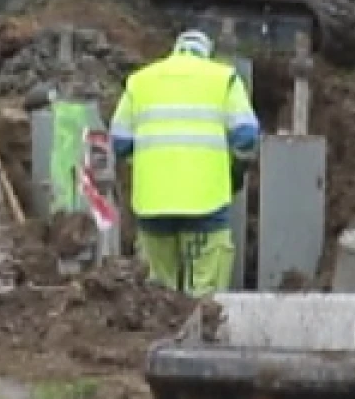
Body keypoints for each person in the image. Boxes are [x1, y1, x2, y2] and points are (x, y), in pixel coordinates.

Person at [109, 30, 260, 297]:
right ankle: (200, 334)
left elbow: (120, 141)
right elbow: (246, 136)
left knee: (155, 297)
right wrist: (234, 170)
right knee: (206, 297)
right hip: (206, 202)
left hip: (152, 203)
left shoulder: (140, 81)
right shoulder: (223, 78)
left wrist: (148, 162)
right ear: (207, 52)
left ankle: (158, 336)